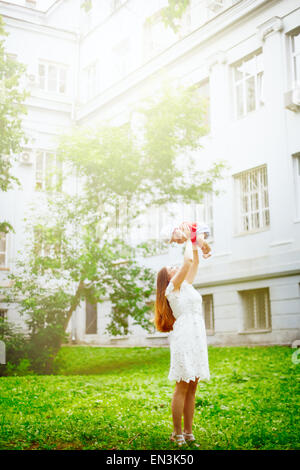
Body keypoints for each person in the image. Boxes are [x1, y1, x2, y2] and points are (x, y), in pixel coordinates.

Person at [154, 233, 210, 447]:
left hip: (197, 335)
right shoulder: (172, 288)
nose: (176, 267)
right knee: (182, 386)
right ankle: (177, 433)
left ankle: (188, 432)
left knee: (193, 385)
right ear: (168, 278)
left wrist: (197, 241)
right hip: (184, 336)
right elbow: (187, 261)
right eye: (171, 268)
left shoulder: (187, 285)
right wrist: (188, 238)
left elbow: (193, 261)